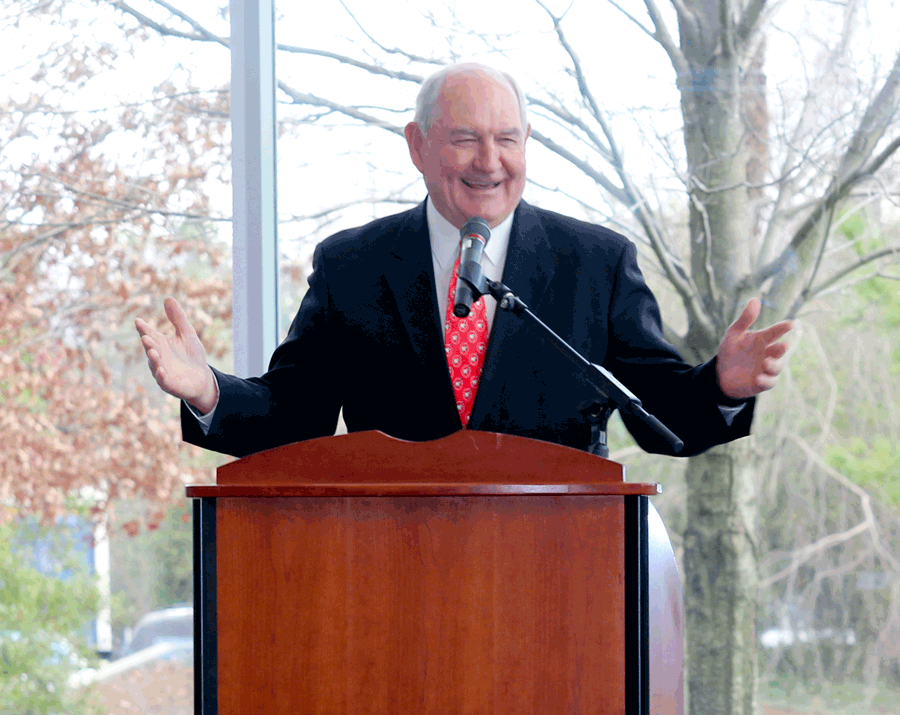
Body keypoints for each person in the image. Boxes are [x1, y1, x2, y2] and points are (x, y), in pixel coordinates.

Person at [136, 63, 792, 459]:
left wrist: (722, 385)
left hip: (559, 574)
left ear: (526, 143)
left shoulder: (596, 264)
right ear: (417, 146)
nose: (489, 161)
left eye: (507, 139)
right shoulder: (351, 267)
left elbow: (659, 418)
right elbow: (293, 416)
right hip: (394, 569)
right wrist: (208, 391)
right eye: (465, 139)